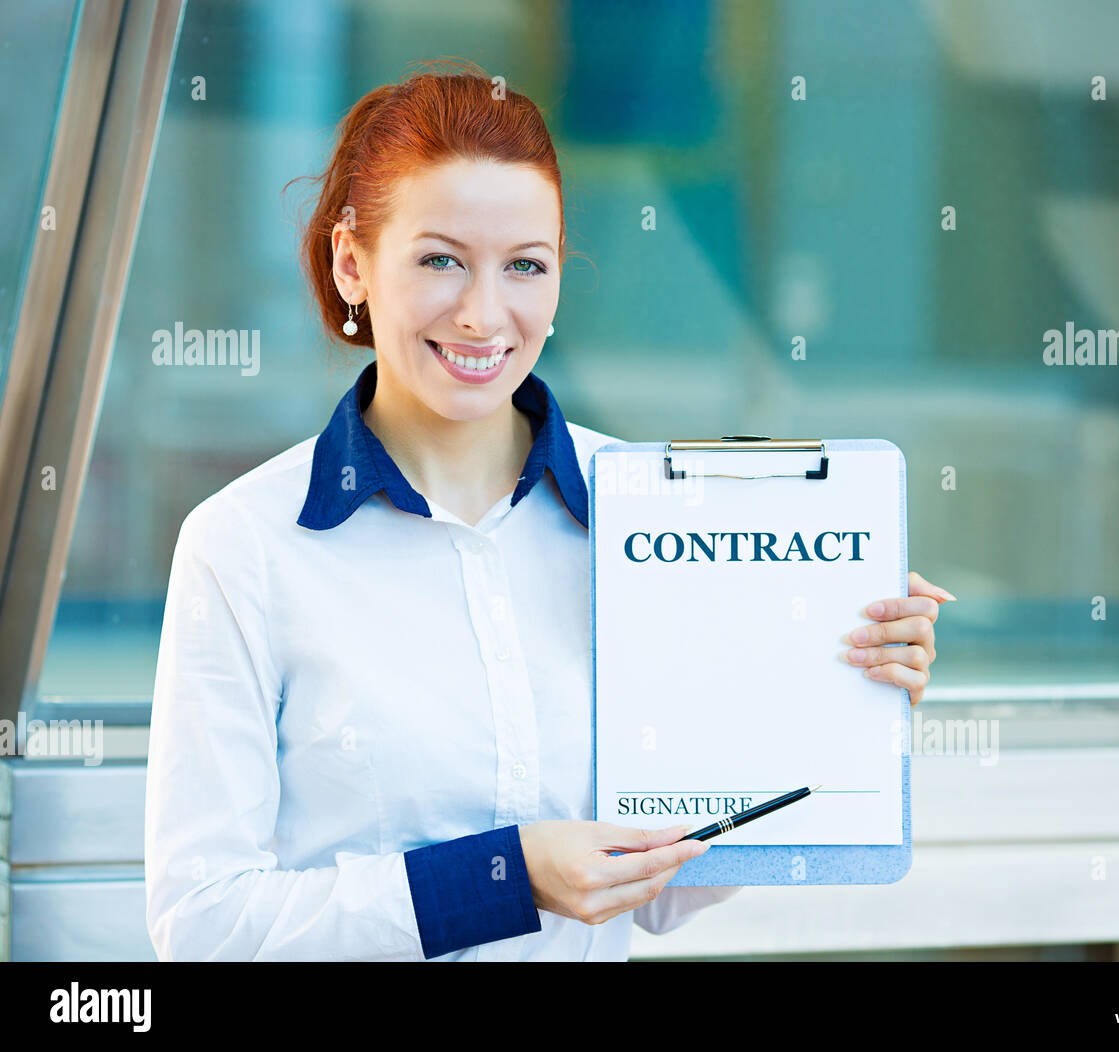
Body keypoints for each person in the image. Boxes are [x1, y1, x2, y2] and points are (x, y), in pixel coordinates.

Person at [143, 59, 952, 962]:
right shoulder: (244, 546)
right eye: (441, 260)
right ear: (352, 262)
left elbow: (661, 889)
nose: (485, 316)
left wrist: (837, 698)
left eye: (524, 265)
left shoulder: (659, 516)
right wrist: (505, 877)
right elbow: (203, 928)